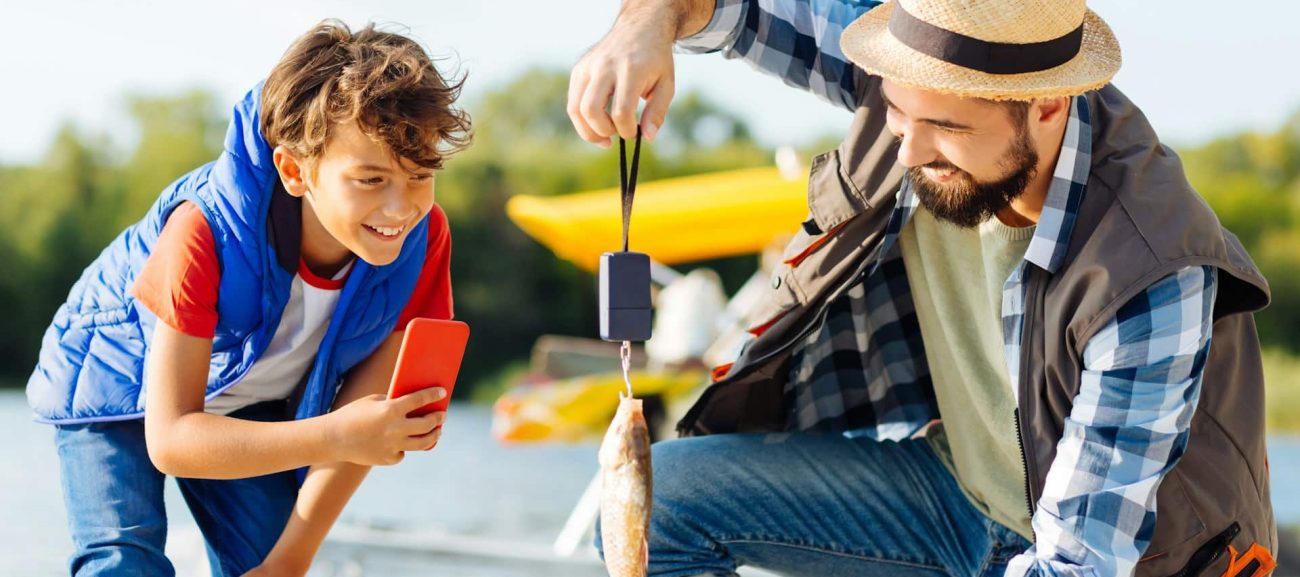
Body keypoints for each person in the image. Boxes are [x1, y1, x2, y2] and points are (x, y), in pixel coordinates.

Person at [569, 1, 1276, 576]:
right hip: (950, 495)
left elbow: (1079, 563)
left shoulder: (1152, 271)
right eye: (898, 116)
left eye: (943, 128)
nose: (905, 153)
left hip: (1120, 558)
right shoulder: (915, 68)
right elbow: (730, 8)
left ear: (1049, 104)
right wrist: (646, 23)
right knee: (662, 506)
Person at [25, 20, 471, 577]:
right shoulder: (203, 232)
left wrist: (289, 560)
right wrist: (338, 433)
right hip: (112, 376)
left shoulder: (422, 243)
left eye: (419, 176)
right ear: (294, 170)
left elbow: (361, 422)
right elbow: (172, 439)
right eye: (370, 180)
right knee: (124, 563)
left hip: (247, 398)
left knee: (269, 561)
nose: (400, 207)